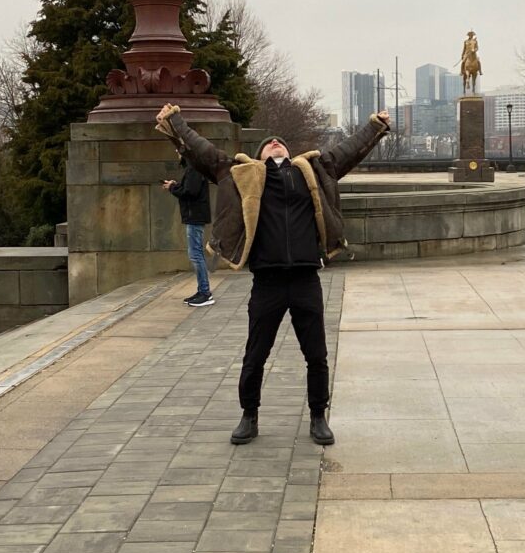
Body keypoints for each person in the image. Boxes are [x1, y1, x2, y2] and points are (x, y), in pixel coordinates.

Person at [155, 104, 391, 445]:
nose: (276, 143)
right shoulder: (241, 174)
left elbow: (348, 151)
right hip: (267, 281)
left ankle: (318, 417)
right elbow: (202, 150)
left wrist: (375, 125)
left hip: (305, 278)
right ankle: (249, 416)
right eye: (269, 143)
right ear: (259, 155)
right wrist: (174, 121)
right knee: (256, 353)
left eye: (280, 142)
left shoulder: (310, 170)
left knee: (316, 355)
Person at [162, 156, 214, 307]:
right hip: (194, 216)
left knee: (196, 254)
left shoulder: (194, 167)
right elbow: (189, 188)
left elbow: (190, 192)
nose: (177, 152)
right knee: (196, 254)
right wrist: (175, 185)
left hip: (194, 216)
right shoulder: (194, 166)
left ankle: (205, 292)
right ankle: (202, 290)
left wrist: (172, 188)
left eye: (178, 149)